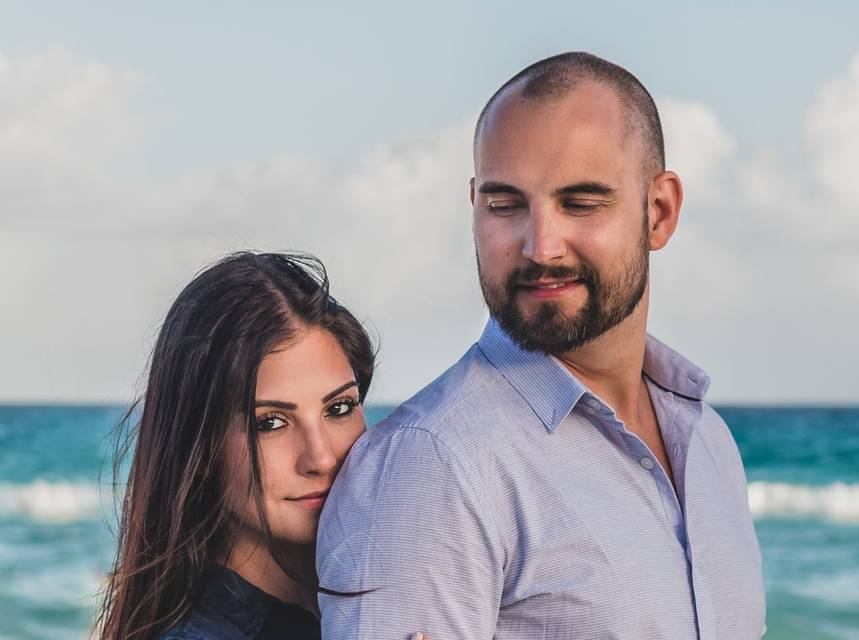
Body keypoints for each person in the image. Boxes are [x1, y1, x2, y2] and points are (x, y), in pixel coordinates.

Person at [316, 52, 766, 639]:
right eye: (505, 205)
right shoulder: (430, 466)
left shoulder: (708, 442)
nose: (540, 246)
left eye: (580, 203)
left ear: (658, 212)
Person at [96, 252, 375, 640]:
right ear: (202, 445)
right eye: (270, 423)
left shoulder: (385, 603)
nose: (322, 457)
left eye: (339, 408)